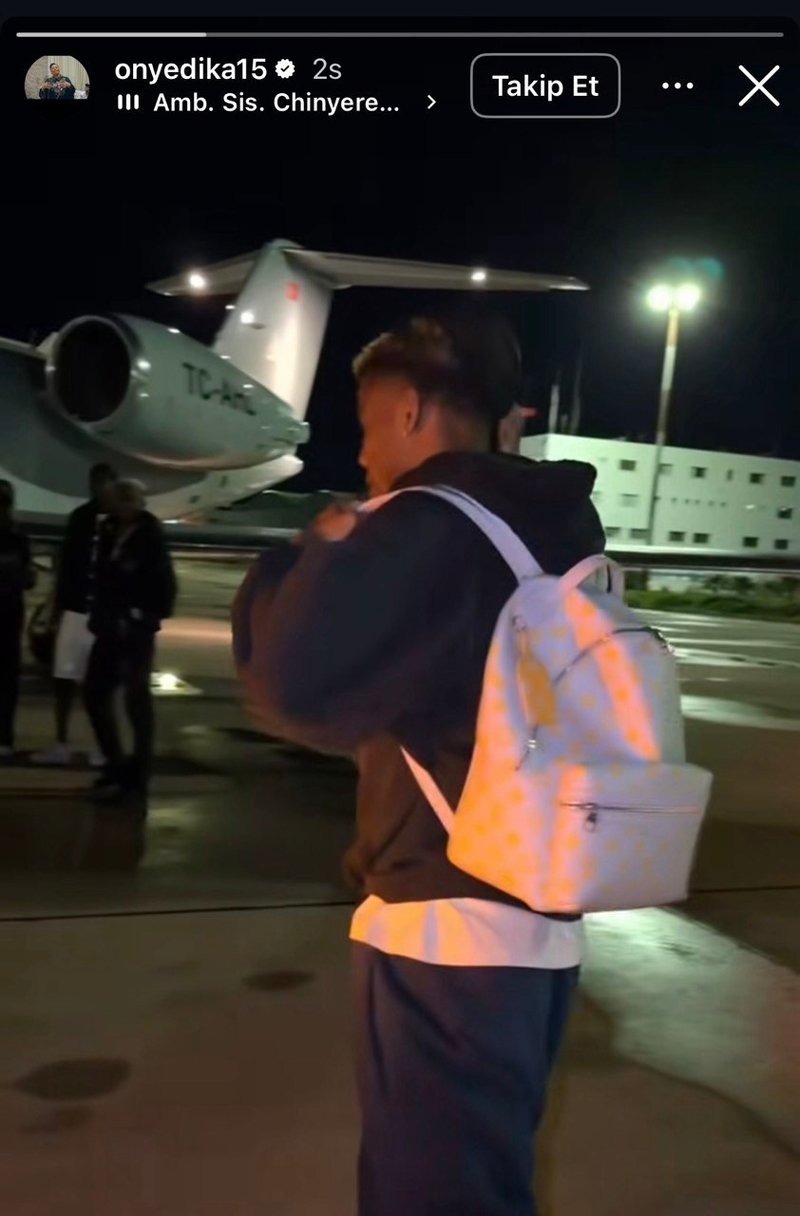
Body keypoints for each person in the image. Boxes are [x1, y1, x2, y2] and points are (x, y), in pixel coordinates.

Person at [232, 312, 606, 1216]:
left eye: (367, 429)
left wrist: (317, 547)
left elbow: (290, 681)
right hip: (538, 920)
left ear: (408, 411)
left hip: (448, 930)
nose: (364, 457)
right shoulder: (556, 528)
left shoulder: (426, 526)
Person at [83, 479, 177, 807]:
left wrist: (141, 617)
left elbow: (163, 586)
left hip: (134, 629)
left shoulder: (149, 537)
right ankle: (117, 766)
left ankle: (137, 777)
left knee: (135, 701)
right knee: (95, 695)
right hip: (109, 626)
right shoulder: (110, 530)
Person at [34, 463, 117, 766]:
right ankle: (62, 742)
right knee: (64, 676)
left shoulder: (119, 522)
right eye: (96, 483)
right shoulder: (81, 518)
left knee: (99, 684)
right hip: (76, 608)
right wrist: (56, 607)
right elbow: (67, 564)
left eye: (104, 483)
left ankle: (102, 745)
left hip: (103, 614)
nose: (99, 489)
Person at [0, 480, 35, 758]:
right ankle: (4, 737)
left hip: (9, 612)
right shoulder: (18, 536)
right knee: (7, 678)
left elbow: (27, 577)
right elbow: (28, 577)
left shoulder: (18, 537)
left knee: (8, 677)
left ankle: (4, 736)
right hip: (10, 611)